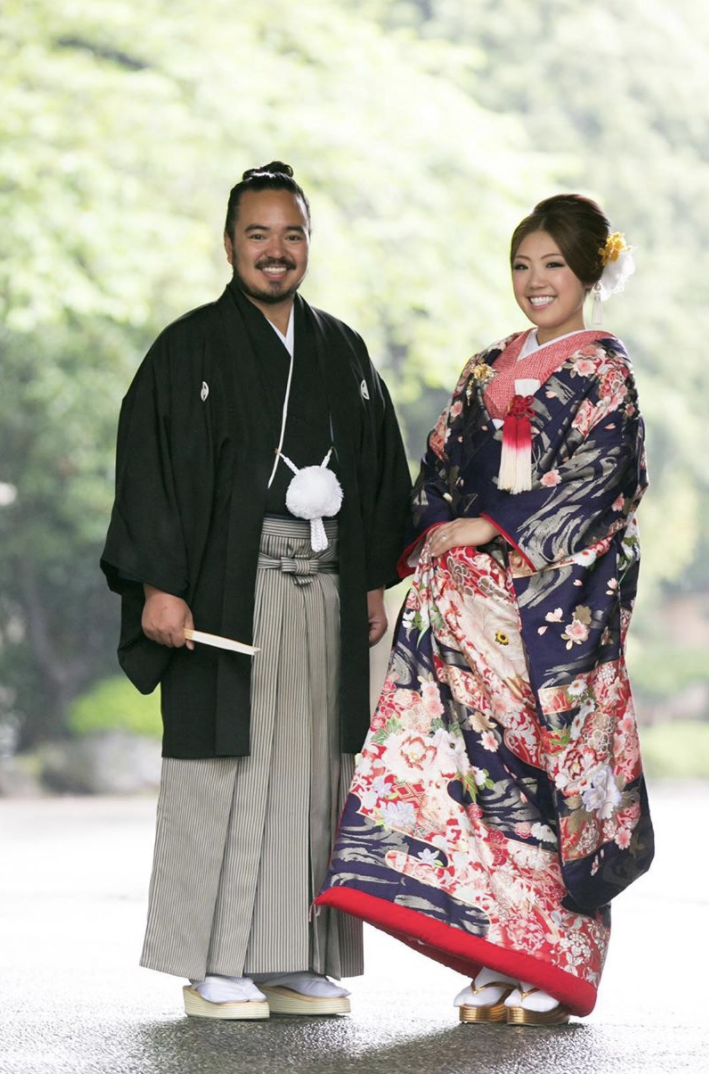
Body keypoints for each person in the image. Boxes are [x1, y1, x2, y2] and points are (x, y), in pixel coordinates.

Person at [317, 194, 654, 1025]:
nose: (536, 282)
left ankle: (551, 956)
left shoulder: (606, 372)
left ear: (589, 273)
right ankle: (493, 954)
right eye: (522, 265)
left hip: (547, 616)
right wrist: (430, 536)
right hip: (466, 612)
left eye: (553, 267)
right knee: (475, 779)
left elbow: (602, 485)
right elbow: (435, 472)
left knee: (541, 776)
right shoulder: (481, 368)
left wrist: (488, 525)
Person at [101, 163, 411, 1020]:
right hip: (224, 592)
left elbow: (383, 467)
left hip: (328, 584)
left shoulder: (341, 348)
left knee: (318, 772)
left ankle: (298, 957)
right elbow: (150, 470)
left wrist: (375, 578)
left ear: (309, 243)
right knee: (228, 767)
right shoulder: (188, 349)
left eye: (293, 234)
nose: (276, 252)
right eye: (258, 234)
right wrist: (162, 585)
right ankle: (214, 963)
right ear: (230, 243)